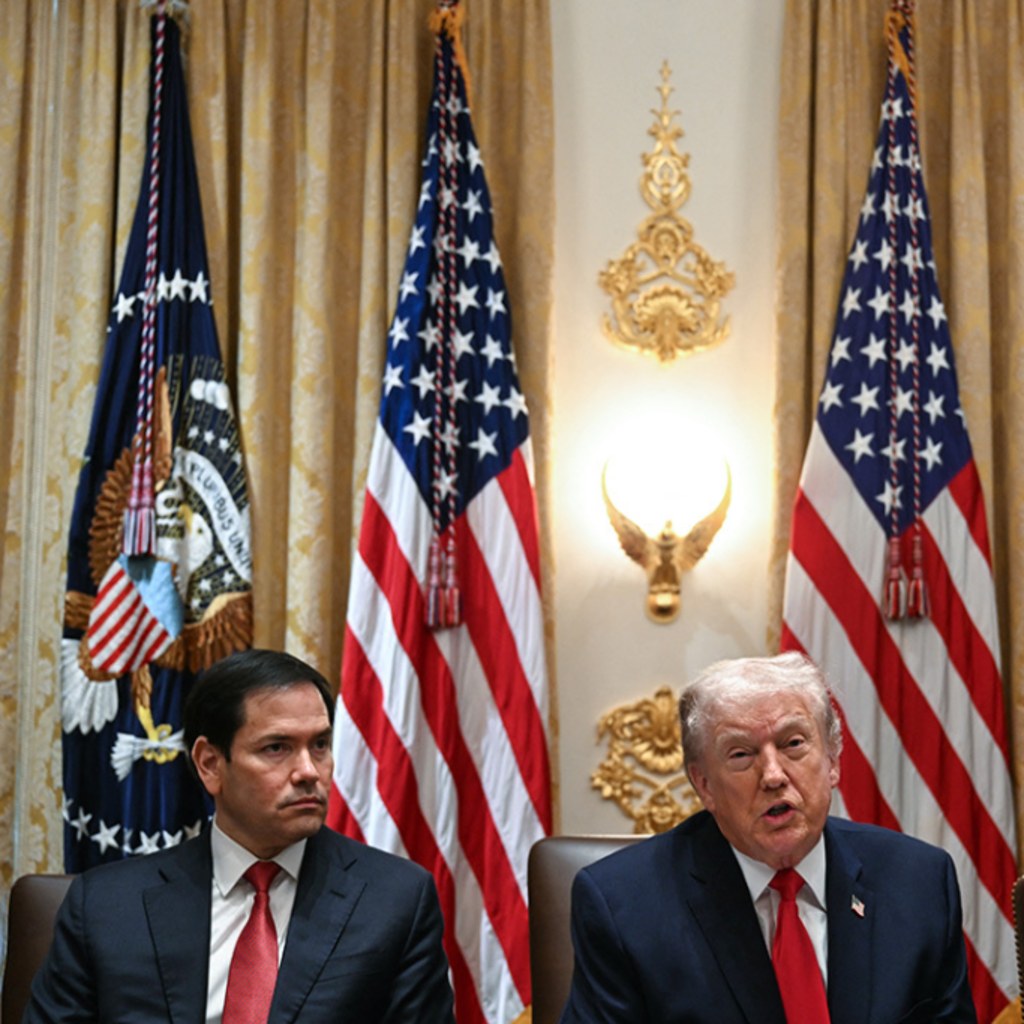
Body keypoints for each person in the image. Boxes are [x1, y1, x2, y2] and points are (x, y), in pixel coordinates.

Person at [25, 648, 456, 1023]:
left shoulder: (395, 901)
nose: (309, 771)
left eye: (320, 745)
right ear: (211, 764)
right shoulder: (106, 907)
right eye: (277, 748)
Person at [559, 651, 977, 1024]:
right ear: (704, 785)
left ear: (832, 761)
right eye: (741, 754)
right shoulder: (623, 907)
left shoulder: (920, 882)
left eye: (793, 743)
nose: (774, 775)